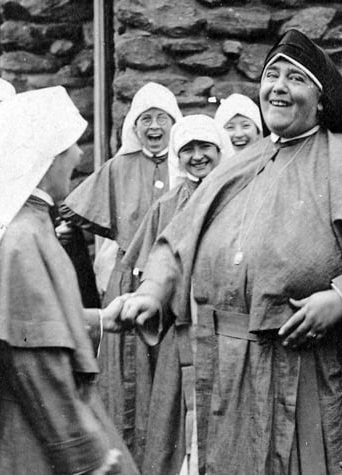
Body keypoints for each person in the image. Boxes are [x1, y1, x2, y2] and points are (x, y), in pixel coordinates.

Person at [118, 29, 342, 474]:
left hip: (320, 370)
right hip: (235, 372)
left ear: (320, 96)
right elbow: (175, 246)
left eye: (294, 78)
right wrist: (152, 293)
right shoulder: (235, 167)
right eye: (271, 75)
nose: (278, 86)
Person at [0, 86, 137, 474]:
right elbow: (34, 359)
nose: (79, 154)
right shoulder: (24, 238)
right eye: (69, 145)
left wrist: (103, 319)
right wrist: (86, 454)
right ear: (44, 157)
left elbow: (37, 326)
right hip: (34, 441)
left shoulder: (28, 226)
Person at [59, 81, 183, 447]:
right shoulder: (118, 167)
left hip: (174, 277)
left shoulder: (186, 161)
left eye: (162, 117)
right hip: (129, 278)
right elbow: (75, 208)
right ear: (134, 125)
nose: (155, 126)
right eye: (146, 118)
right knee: (129, 372)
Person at [115, 114, 234, 469]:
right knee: (176, 425)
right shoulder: (166, 207)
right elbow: (154, 269)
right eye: (188, 150)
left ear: (219, 149)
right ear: (176, 156)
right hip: (180, 331)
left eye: (205, 147)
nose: (197, 156)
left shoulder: (239, 195)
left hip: (226, 328)